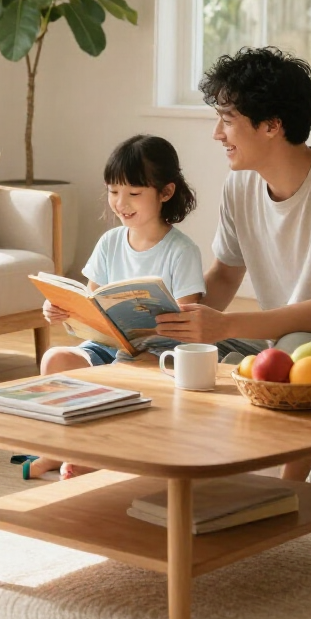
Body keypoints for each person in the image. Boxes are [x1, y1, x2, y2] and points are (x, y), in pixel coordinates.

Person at [155, 46, 311, 482]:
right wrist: (175, 320)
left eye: (228, 120)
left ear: (272, 125)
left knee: (297, 344)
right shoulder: (240, 185)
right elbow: (224, 273)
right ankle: (188, 460)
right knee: (178, 354)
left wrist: (226, 326)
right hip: (281, 348)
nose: (218, 133)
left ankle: (284, 491)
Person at [26, 134, 204, 480]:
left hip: (157, 353)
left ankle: (105, 453)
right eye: (113, 191)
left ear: (165, 193)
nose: (121, 202)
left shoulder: (182, 251)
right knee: (55, 359)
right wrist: (62, 310)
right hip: (106, 344)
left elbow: (188, 323)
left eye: (134, 193)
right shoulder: (109, 242)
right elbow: (90, 303)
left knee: (130, 367)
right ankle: (57, 447)